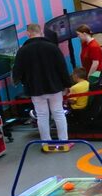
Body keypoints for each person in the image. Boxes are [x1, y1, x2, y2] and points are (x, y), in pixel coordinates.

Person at [12, 22, 71, 150]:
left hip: (35, 89)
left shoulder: (23, 51)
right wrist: (67, 84)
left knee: (42, 116)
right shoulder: (52, 47)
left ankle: (46, 143)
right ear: (41, 32)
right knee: (58, 113)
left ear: (28, 33)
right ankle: (64, 141)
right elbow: (62, 67)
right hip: (54, 87)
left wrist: (19, 81)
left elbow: (17, 71)